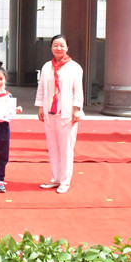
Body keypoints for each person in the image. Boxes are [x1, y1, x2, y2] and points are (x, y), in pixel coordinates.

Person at [35, 34, 83, 194]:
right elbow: (41, 88)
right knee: (53, 147)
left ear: (67, 47)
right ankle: (55, 178)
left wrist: (77, 108)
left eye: (62, 45)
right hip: (50, 112)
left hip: (67, 113)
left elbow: (78, 90)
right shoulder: (46, 67)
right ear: (51, 48)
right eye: (55, 45)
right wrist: (40, 106)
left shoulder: (74, 67)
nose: (59, 48)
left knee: (66, 148)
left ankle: (64, 181)